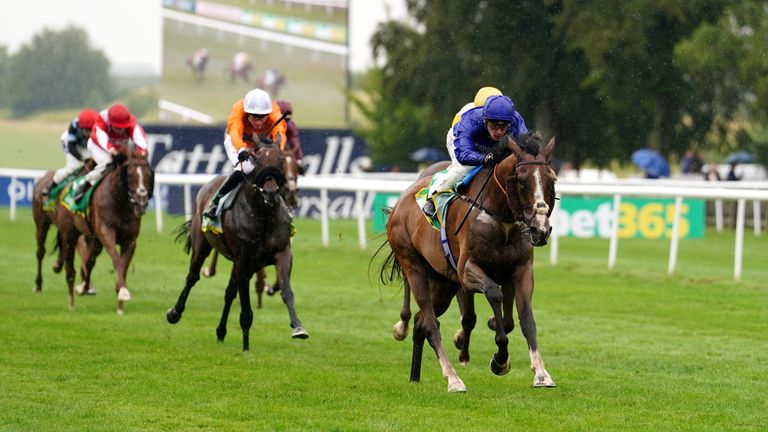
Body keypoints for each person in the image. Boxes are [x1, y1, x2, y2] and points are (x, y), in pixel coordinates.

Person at [422, 95, 528, 218]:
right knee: (465, 168)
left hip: (492, 146)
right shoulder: (470, 121)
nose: (499, 132)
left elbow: (525, 150)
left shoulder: (516, 122)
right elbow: (464, 155)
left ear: (510, 122)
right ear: (485, 120)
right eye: (494, 126)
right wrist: (484, 158)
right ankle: (434, 196)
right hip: (461, 142)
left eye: (503, 126)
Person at [203, 88, 288, 219]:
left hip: (258, 140)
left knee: (273, 164)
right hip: (236, 139)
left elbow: (280, 132)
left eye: (262, 117)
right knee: (248, 167)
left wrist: (279, 149)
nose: (259, 122)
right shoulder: (238, 110)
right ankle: (216, 200)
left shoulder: (274, 110)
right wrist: (241, 150)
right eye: (254, 117)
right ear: (247, 113)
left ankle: (284, 205)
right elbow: (235, 133)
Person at [72, 104, 148, 202]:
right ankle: (84, 182)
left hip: (117, 148)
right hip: (97, 146)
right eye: (117, 128)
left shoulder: (131, 122)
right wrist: (112, 150)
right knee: (108, 163)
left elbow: (140, 140)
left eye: (123, 128)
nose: (121, 131)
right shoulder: (103, 118)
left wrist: (142, 152)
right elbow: (100, 137)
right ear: (111, 123)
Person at [41, 108, 101, 197]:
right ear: (81, 127)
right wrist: (82, 159)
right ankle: (51, 185)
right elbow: (71, 147)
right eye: (86, 130)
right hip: (71, 143)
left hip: (85, 144)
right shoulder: (74, 125)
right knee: (73, 167)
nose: (89, 133)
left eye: (90, 130)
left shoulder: (99, 127)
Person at [276, 100, 306, 174]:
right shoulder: (269, 125)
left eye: (288, 119)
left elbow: (295, 142)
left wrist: (299, 159)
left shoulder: (290, 126)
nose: (286, 121)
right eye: (284, 118)